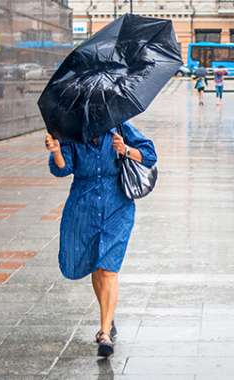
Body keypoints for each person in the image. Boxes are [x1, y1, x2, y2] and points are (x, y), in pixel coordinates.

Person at [44, 122, 157, 358]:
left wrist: (125, 149)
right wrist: (56, 150)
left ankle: (104, 332)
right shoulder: (70, 133)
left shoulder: (120, 128)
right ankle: (108, 314)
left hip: (118, 206)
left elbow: (149, 155)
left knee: (108, 268)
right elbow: (63, 169)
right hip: (83, 206)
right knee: (97, 265)